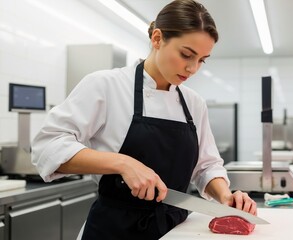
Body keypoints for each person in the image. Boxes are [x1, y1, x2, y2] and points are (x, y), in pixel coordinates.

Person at [31, 0, 257, 239]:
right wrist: (122, 163)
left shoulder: (194, 103)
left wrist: (225, 196)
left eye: (202, 60)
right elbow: (48, 146)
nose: (192, 68)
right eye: (186, 54)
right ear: (157, 39)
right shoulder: (106, 85)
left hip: (175, 230)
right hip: (113, 230)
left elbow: (207, 165)